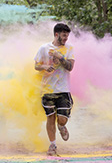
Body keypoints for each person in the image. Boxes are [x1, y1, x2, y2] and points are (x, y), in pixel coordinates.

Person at [34, 23, 75, 156]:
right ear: (56, 34)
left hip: (63, 89)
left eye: (67, 35)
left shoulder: (69, 48)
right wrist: (45, 67)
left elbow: (70, 67)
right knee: (50, 118)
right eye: (64, 35)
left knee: (61, 119)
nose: (66, 38)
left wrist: (60, 57)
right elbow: (36, 66)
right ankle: (52, 145)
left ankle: (62, 126)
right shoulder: (44, 48)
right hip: (47, 89)